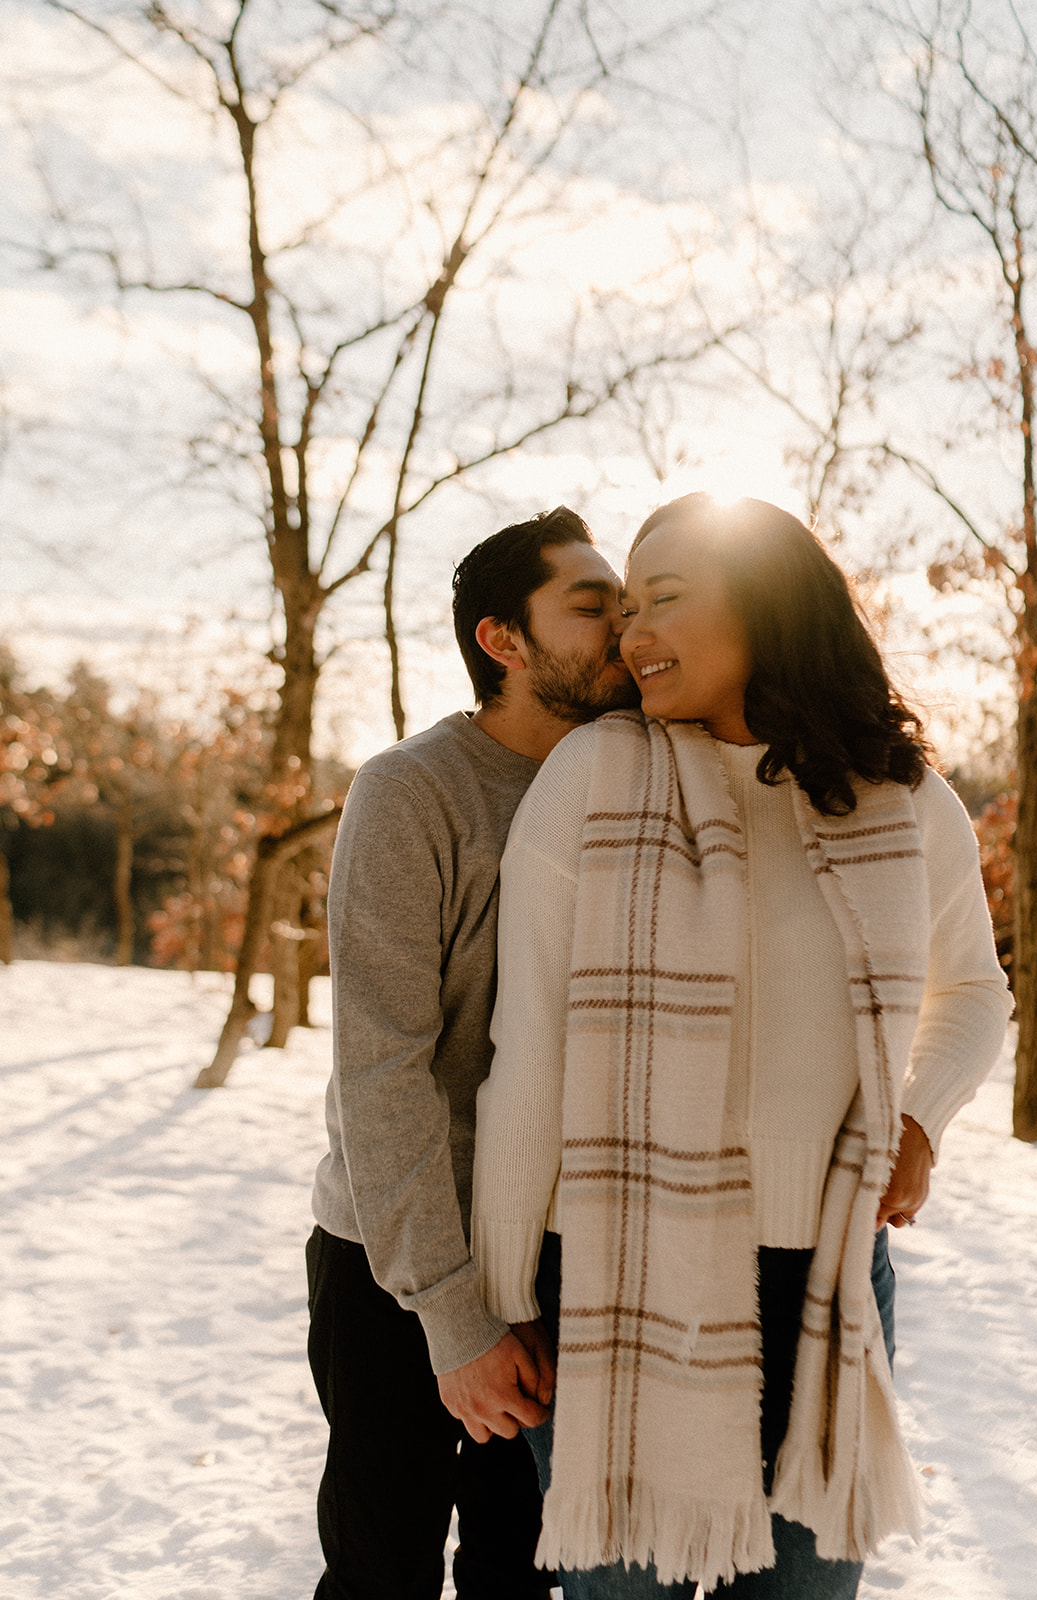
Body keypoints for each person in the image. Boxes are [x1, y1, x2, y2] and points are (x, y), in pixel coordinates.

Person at [463, 495, 1012, 1599]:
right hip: (606, 1283)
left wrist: (917, 1119)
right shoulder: (594, 778)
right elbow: (526, 1053)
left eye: (664, 601)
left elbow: (971, 993)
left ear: (767, 608)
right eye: (623, 610)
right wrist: (492, 1297)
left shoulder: (903, 802)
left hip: (826, 1283)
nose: (631, 636)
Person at [306, 505, 639, 1600]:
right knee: (381, 1570)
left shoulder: (632, 778)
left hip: (554, 1253)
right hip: (397, 1258)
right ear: (502, 640)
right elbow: (377, 1067)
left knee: (520, 1575)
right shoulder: (413, 791)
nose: (621, 625)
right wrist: (454, 1318)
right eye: (589, 606)